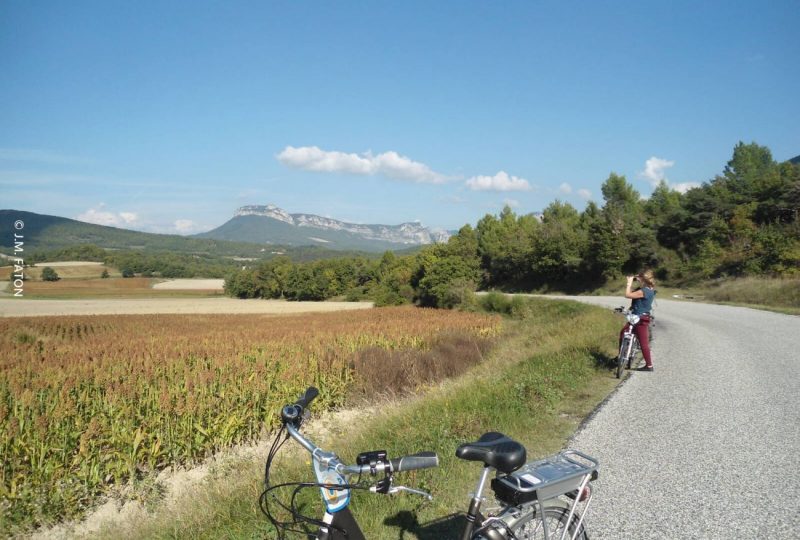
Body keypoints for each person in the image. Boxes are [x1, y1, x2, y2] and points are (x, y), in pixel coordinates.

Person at [620, 269, 656, 371]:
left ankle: (649, 366)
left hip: (640, 319)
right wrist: (636, 278)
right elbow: (634, 294)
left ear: (643, 279)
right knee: (623, 332)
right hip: (635, 318)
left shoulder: (644, 291)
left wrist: (629, 283)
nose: (637, 279)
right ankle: (621, 356)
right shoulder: (649, 288)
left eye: (639, 277)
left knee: (643, 343)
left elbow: (627, 295)